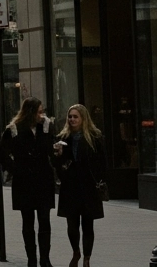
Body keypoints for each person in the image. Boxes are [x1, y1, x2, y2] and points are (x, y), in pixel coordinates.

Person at [0, 97, 55, 267]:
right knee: (28, 220)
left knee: (44, 219)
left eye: (42, 112)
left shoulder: (46, 127)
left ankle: (45, 259)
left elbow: (51, 149)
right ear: (30, 112)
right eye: (39, 112)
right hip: (24, 181)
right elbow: (1, 153)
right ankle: (32, 259)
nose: (42, 115)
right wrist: (15, 169)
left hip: (43, 179)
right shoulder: (14, 129)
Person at [54, 103, 107, 267]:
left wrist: (100, 180)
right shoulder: (63, 138)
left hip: (88, 186)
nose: (72, 119)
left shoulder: (94, 137)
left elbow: (102, 162)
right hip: (70, 186)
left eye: (75, 117)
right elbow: (57, 164)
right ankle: (76, 251)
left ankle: (87, 258)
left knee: (88, 224)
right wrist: (58, 156)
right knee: (72, 224)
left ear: (83, 118)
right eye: (70, 117)